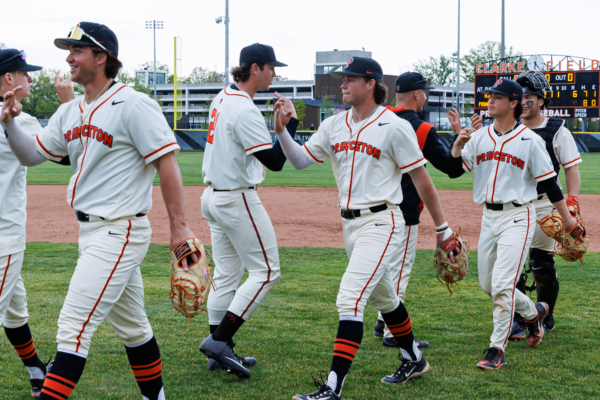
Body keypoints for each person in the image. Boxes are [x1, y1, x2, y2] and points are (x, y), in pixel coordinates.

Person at [1, 22, 198, 400]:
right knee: (134, 328)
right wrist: (9, 125)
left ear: (101, 57)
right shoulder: (71, 110)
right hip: (91, 233)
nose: (68, 58)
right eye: (68, 50)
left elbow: (167, 165)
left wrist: (180, 228)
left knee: (73, 327)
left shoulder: (134, 104)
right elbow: (31, 155)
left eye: (76, 51)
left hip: (121, 230)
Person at [273, 57, 459, 398]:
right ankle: (414, 358)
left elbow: (422, 178)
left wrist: (443, 228)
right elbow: (299, 161)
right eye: (343, 79)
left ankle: (332, 387)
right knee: (385, 298)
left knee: (350, 298)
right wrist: (283, 131)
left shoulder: (394, 125)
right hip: (350, 226)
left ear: (371, 83)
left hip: (383, 221)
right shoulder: (334, 124)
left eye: (350, 79)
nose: (343, 84)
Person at [448, 78, 578, 370]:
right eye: (490, 96)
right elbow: (455, 171)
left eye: (497, 97)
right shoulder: (480, 137)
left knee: (503, 283)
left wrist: (567, 219)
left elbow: (550, 184)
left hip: (519, 216)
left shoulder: (530, 141)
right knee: (488, 285)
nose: (490, 101)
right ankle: (534, 315)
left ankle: (497, 349)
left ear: (513, 103)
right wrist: (457, 144)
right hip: (489, 217)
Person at [199, 43, 298, 379]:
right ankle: (220, 342)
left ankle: (217, 348)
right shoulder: (243, 108)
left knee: (227, 274)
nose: (274, 73)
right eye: (271, 67)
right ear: (255, 68)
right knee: (268, 271)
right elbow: (275, 161)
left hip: (212, 196)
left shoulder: (222, 96)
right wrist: (290, 125)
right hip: (235, 197)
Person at [372, 72, 482, 350]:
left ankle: (381, 320)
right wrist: (460, 141)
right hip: (404, 210)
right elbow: (451, 169)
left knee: (384, 265)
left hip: (371, 208)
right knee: (399, 270)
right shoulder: (421, 129)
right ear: (418, 95)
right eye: (426, 92)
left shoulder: (376, 118)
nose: (427, 96)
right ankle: (391, 331)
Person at [508, 71, 582, 340]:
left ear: (542, 100)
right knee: (512, 265)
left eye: (529, 97)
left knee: (541, 265)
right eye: (520, 97)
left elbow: (571, 169)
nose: (523, 101)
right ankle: (518, 319)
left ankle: (546, 314)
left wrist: (571, 204)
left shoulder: (557, 130)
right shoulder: (508, 127)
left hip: (544, 205)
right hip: (514, 206)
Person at [0, 48, 55, 399]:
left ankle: (38, 373)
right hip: (3, 239)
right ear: (8, 78)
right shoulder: (22, 120)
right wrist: (67, 103)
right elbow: (65, 151)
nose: (30, 78)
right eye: (24, 73)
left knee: (16, 310)